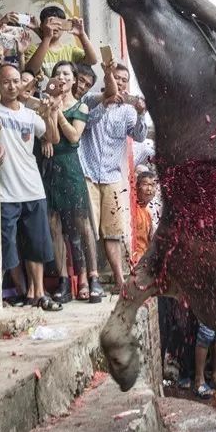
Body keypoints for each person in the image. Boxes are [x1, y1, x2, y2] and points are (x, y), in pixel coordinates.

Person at [0, 62, 62, 311]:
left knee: (37, 244)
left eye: (15, 81)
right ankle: (13, 293)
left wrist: (51, 114)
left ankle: (38, 293)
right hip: (4, 191)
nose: (12, 86)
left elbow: (52, 138)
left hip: (32, 187)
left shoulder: (29, 114)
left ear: (22, 84)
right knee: (6, 245)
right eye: (6, 82)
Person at [78, 60, 149, 287]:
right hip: (87, 172)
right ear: (108, 79)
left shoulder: (128, 111)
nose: (120, 83)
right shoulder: (91, 100)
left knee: (113, 231)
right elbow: (87, 123)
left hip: (111, 175)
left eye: (124, 80)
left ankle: (119, 279)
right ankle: (90, 278)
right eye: (116, 78)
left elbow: (138, 136)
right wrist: (106, 102)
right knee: (87, 228)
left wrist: (140, 114)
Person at [39, 60, 101, 304]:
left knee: (81, 222)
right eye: (58, 74)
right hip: (51, 166)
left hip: (70, 166)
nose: (62, 77)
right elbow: (46, 134)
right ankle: (64, 280)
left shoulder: (81, 107)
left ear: (74, 80)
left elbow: (74, 137)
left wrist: (58, 114)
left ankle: (94, 277)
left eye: (66, 74)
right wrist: (48, 117)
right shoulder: (45, 103)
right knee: (54, 223)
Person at [22, 6, 100, 79]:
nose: (55, 27)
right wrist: (47, 36)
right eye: (51, 23)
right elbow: (31, 71)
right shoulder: (33, 49)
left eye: (59, 24)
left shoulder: (70, 50)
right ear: (42, 26)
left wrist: (82, 35)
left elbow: (92, 61)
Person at [131, 171, 157, 265]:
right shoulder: (131, 210)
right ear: (137, 187)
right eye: (145, 184)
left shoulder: (147, 212)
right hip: (135, 261)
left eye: (153, 185)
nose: (149, 189)